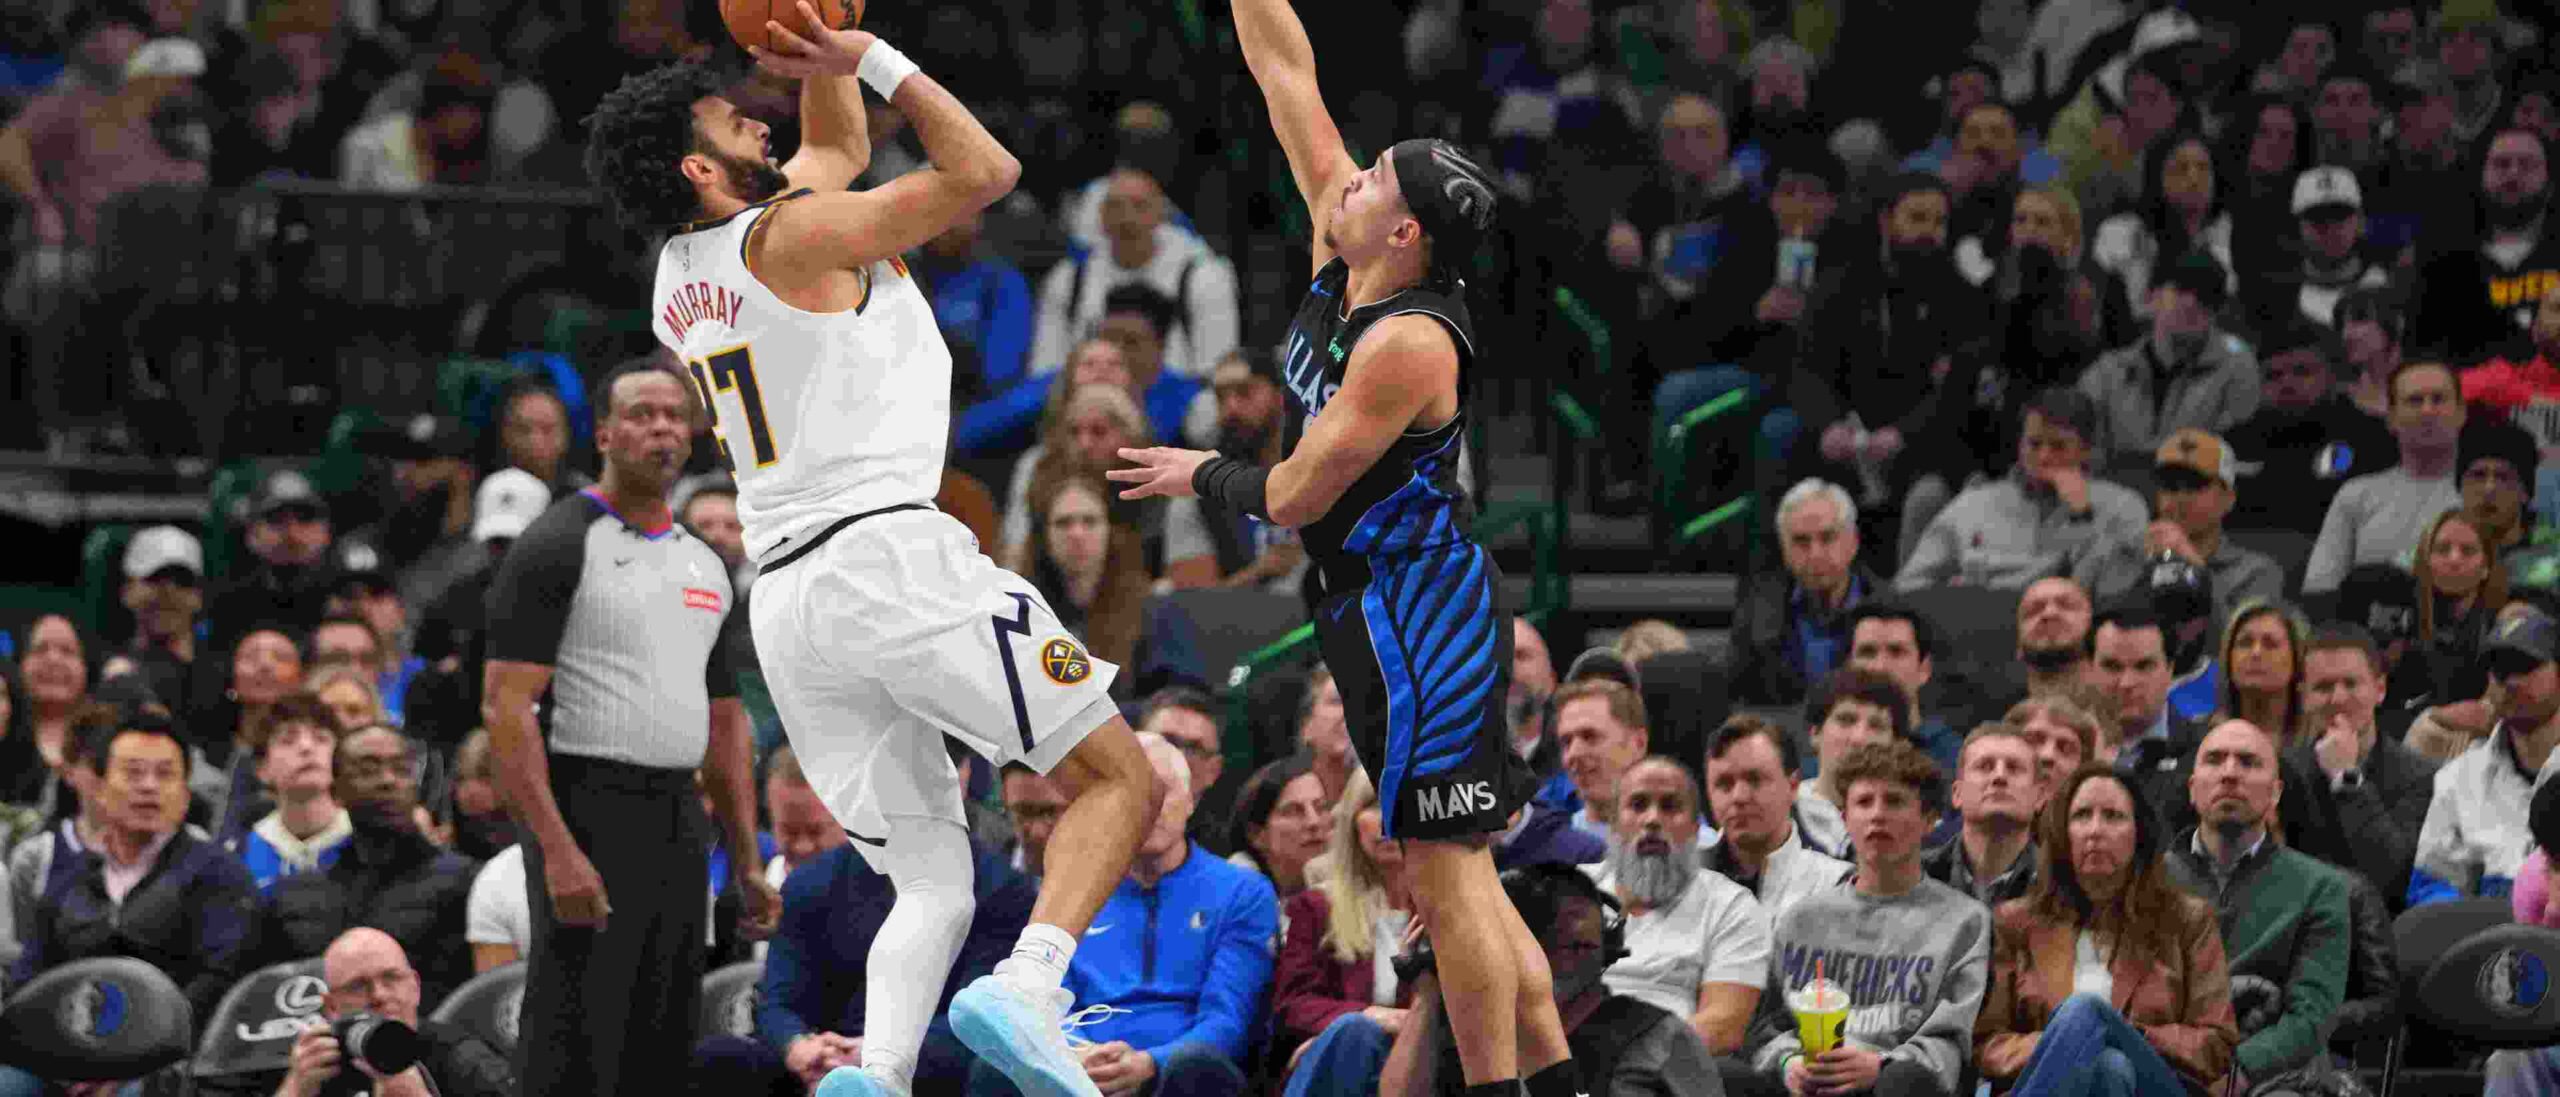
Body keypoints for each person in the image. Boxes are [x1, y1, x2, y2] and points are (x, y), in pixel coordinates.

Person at [591, 18, 1165, 1094]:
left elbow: (838, 154)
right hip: (887, 557)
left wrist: (815, 60)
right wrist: (870, 54)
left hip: (793, 599)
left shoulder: (681, 270)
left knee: (931, 880)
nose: (756, 113)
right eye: (730, 116)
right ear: (698, 165)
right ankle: (1032, 982)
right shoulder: (799, 239)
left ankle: (878, 1076)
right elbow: (984, 170)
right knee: (1117, 779)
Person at [1109, 0, 1577, 1091]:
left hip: (1424, 610)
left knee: (1441, 872)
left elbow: (1290, 490)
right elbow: (1284, 71)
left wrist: (1195, 471)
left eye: (1376, 179)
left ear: (1405, 233)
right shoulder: (1350, 232)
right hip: (1366, 603)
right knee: (1465, 875)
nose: (1351, 176)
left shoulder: (1408, 342)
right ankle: (1557, 1076)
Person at [475, 362, 777, 1095]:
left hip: (677, 813)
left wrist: (744, 858)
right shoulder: (558, 542)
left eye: (676, 415)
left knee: (665, 1021)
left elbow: (725, 723)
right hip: (587, 803)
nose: (663, 428)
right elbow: (504, 710)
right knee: (577, 1025)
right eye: (642, 414)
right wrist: (556, 851)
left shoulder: (704, 560)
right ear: (605, 433)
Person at [967, 734, 1276, 1097]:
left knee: (1196, 1066)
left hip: (1178, 1070)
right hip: (1078, 1068)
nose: (1150, 810)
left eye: (1163, 793)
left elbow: (1228, 1020)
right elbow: (1048, 999)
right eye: (1137, 798)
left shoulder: (1242, 891)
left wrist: (1151, 1063)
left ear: (1190, 800)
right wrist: (1079, 1057)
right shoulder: (1068, 889)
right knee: (993, 1066)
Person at [692, 799, 1038, 1096]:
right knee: (720, 1058)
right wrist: (797, 1045)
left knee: (985, 1064)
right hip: (819, 1062)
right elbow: (777, 999)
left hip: (928, 1064)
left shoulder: (1003, 890)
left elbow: (979, 1018)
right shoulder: (812, 882)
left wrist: (872, 1055)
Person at [1743, 739, 1992, 1097]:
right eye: (1864, 802)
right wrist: (1789, 1065)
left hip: (1891, 1084)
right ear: (1845, 819)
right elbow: (1764, 1029)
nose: (1877, 814)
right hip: (1804, 1083)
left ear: (1928, 820)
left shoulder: (1965, 921)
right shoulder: (1800, 918)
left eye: (1894, 801)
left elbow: (1949, 1044)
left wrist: (1881, 1066)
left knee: (1905, 1082)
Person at [1973, 766, 2237, 1094]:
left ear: (2139, 834)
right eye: (2082, 816)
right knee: (2110, 1066)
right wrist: (2066, 1042)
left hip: (2158, 1086)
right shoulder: (2016, 922)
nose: (2095, 830)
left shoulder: (2187, 920)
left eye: (2113, 817)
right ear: (2062, 833)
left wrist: (2123, 1032)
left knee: (2087, 1013)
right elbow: (1989, 1044)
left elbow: (2216, 1045)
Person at [1379, 864, 1726, 1096]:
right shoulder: (1470, 1033)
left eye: (1578, 945)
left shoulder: (1656, 1038)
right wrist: (1427, 993)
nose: (1566, 957)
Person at [6, 710, 256, 1026]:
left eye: (165, 774)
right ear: (100, 789)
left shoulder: (220, 874)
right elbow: (30, 979)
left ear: (185, 796)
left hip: (171, 1054)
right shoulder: (70, 878)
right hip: (68, 1053)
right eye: (133, 773)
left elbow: (219, 982)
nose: (149, 786)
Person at [2164, 720, 2352, 1087]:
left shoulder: (2321, 887)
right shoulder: (2148, 882)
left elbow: (2311, 1018)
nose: (2230, 773)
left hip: (2274, 1077)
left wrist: (2238, 1069)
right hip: (2169, 1064)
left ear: (2276, 792)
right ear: (2192, 788)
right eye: (2215, 760)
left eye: (2248, 762)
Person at [262, 725, 480, 1008]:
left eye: (401, 769)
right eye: (367, 770)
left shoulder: (467, 882)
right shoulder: (293, 895)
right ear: (336, 791)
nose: (388, 781)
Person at [1585, 757, 1768, 1059]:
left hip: (1663, 1071)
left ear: (1696, 829)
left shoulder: (1731, 906)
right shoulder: (1569, 890)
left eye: (1670, 807)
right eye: (1638, 805)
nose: (1653, 819)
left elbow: (1722, 1027)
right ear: (1614, 825)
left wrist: (1622, 1059)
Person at [1895, 387, 2147, 591]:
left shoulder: (2122, 506)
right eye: (2034, 444)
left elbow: (2109, 593)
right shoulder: (1973, 504)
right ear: (2019, 445)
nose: (2044, 456)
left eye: (2058, 446)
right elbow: (1909, 585)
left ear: (2086, 451)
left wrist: (2081, 514)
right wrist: (1952, 597)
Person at [1274, 771, 1416, 1093]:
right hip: (1341, 1065)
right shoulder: (1316, 907)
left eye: (1401, 804)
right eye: (1375, 806)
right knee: (1356, 1033)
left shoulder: (1448, 911)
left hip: (1420, 1066)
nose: (1388, 820)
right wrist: (1367, 1016)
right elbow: (1293, 1005)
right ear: (1352, 821)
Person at [2281, 625, 2441, 913]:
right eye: (2323, 687)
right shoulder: (2283, 772)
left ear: (2380, 689)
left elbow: (2394, 880)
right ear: (2303, 696)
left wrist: (2346, 777)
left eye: (2351, 684)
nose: (2338, 698)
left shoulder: (2421, 776)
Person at [2411, 602, 2560, 905]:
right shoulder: (2457, 778)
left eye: (2526, 666)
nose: (2511, 682)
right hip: (2492, 945)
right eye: (2501, 669)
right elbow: (2428, 893)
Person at [2071, 429, 2282, 625]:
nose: (2180, 498)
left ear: (2228, 498)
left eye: (2195, 485)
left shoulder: (2256, 572)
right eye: (2170, 485)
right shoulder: (2110, 557)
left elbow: (2244, 648)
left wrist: (2192, 570)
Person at [272, 928, 515, 1097]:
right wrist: (293, 1090)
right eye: (358, 986)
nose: (379, 995)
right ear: (332, 1007)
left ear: (415, 987)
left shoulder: (460, 1057)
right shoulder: (318, 1061)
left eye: (392, 978)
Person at [2075, 254, 2261, 463]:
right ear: (2151, 297)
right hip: (2114, 491)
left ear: (2218, 311)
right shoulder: (2106, 373)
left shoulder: (2236, 369)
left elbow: (2232, 458)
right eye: (2181, 289)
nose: (2192, 302)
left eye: (2207, 296)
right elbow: (2083, 455)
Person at [2305, 359, 2469, 595]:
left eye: (2438, 399)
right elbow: (2320, 591)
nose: (2427, 410)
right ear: (2391, 418)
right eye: (2414, 401)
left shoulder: (2489, 495)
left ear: (2461, 413)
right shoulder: (2355, 495)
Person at [1731, 479, 1885, 707]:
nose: (1815, 553)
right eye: (1801, 541)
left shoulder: (1889, 609)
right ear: (1785, 550)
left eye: (1827, 537)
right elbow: (1737, 696)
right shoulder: (1757, 611)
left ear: (1853, 543)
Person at [1702, 717, 1851, 923]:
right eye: (1724, 784)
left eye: (1755, 780)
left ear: (1792, 786)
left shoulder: (1836, 886)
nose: (1739, 796)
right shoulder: (1681, 884)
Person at [230, 692, 352, 896]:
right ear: (262, 769)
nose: (306, 748)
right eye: (287, 740)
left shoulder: (367, 842)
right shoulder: (239, 853)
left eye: (321, 739)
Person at [1921, 725, 2040, 905]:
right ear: (1957, 794)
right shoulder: (1915, 878)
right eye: (1985, 766)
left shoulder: (2062, 885)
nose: (1999, 776)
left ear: (2038, 797)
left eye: (2014, 768)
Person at [1794, 668, 1909, 857]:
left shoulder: (1920, 828)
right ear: (1815, 733)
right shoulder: (1778, 815)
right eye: (1845, 721)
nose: (1859, 738)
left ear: (1897, 744)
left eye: (1876, 726)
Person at [1843, 605, 1962, 775]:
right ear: (1849, 667)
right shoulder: (1820, 760)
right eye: (1867, 652)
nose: (1880, 667)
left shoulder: (1959, 760)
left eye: (1896, 652)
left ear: (1924, 669)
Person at [1554, 680, 1652, 839]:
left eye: (1590, 736)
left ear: (1638, 744)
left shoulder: (1696, 846)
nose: (1573, 753)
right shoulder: (1549, 851)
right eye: (1566, 742)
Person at [1225, 755, 1330, 899]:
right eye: (1294, 811)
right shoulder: (1234, 895)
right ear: (1256, 835)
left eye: (1321, 807)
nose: (1314, 821)